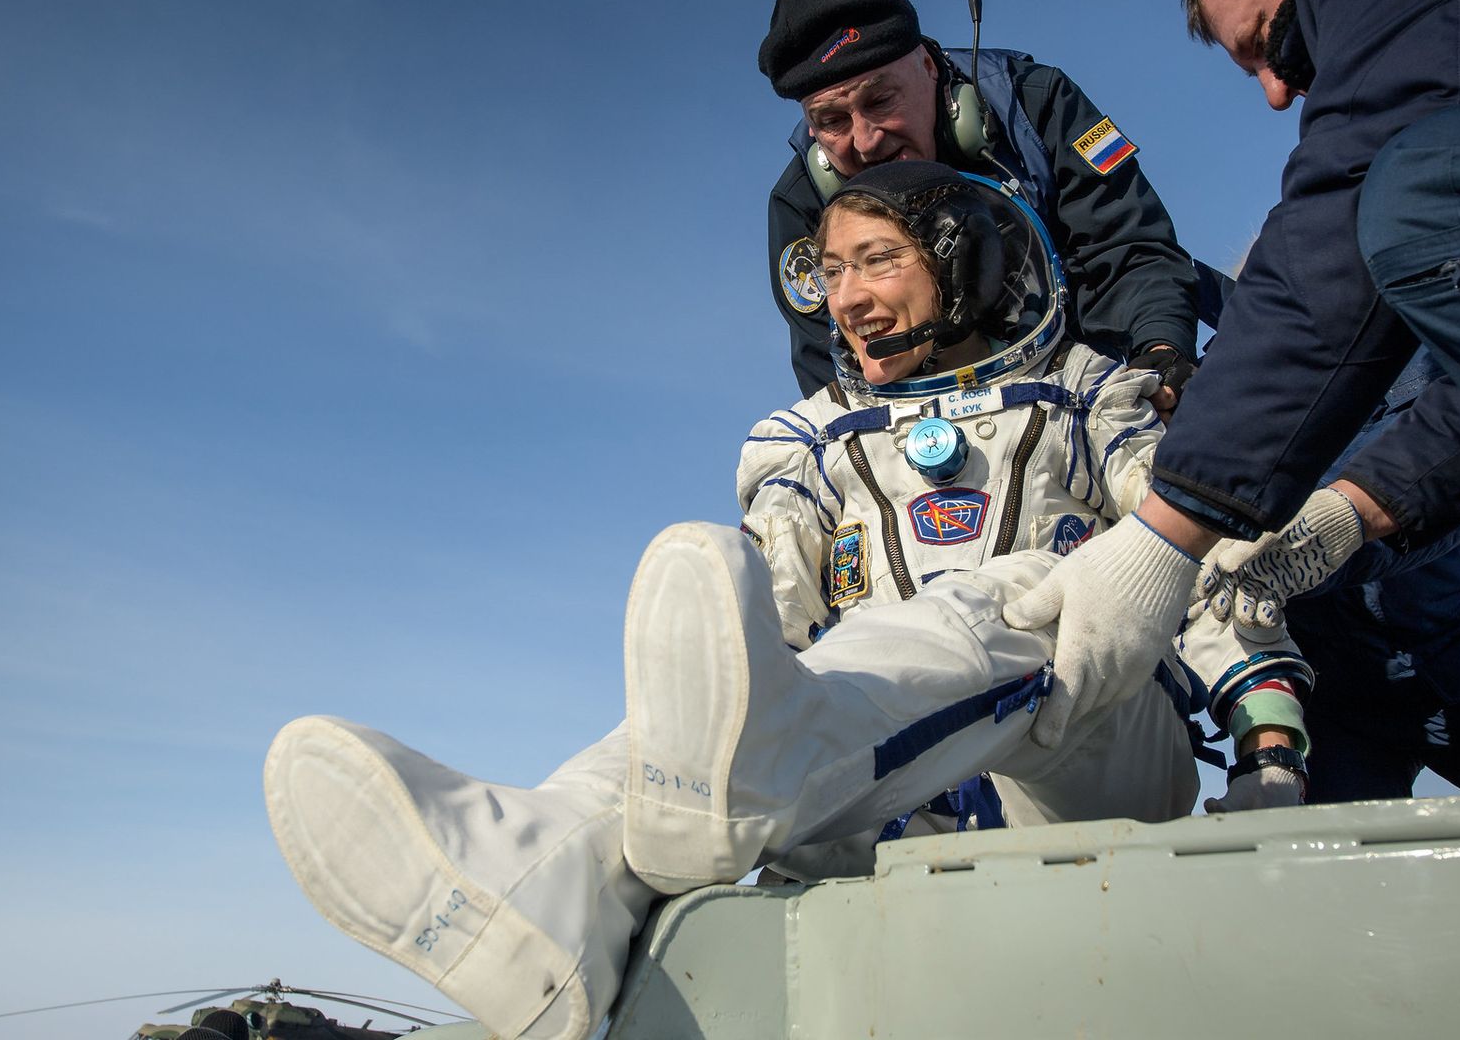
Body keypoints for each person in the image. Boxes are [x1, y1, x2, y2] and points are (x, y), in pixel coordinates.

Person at [262, 163, 1309, 1040]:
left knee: (1029, 588)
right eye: (831, 270)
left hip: (1091, 760)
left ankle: (758, 778)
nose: (843, 299)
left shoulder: (1093, 397)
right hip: (875, 796)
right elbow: (750, 628)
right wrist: (730, 695)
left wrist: (1267, 745)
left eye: (878, 261)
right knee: (717, 708)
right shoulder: (810, 443)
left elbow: (1204, 555)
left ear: (973, 264)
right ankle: (541, 879)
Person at [1000, 0, 1460, 751]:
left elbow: (1350, 224)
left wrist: (1167, 532)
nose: (1276, 92)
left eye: (1263, 43)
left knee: (1417, 192)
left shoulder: (1426, 186)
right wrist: (1353, 512)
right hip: (1352, 684)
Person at [1177, 0, 1460, 802]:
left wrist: (1342, 520)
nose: (1275, 92)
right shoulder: (1217, 403)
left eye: (1271, 45)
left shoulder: (1440, 270)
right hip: (1347, 699)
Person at [759, 0, 1208, 407]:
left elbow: (1126, 249)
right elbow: (831, 363)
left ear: (929, 67)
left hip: (1090, 383)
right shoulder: (802, 203)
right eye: (832, 121)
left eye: (879, 101)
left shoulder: (1033, 106)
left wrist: (1160, 350)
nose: (866, 140)